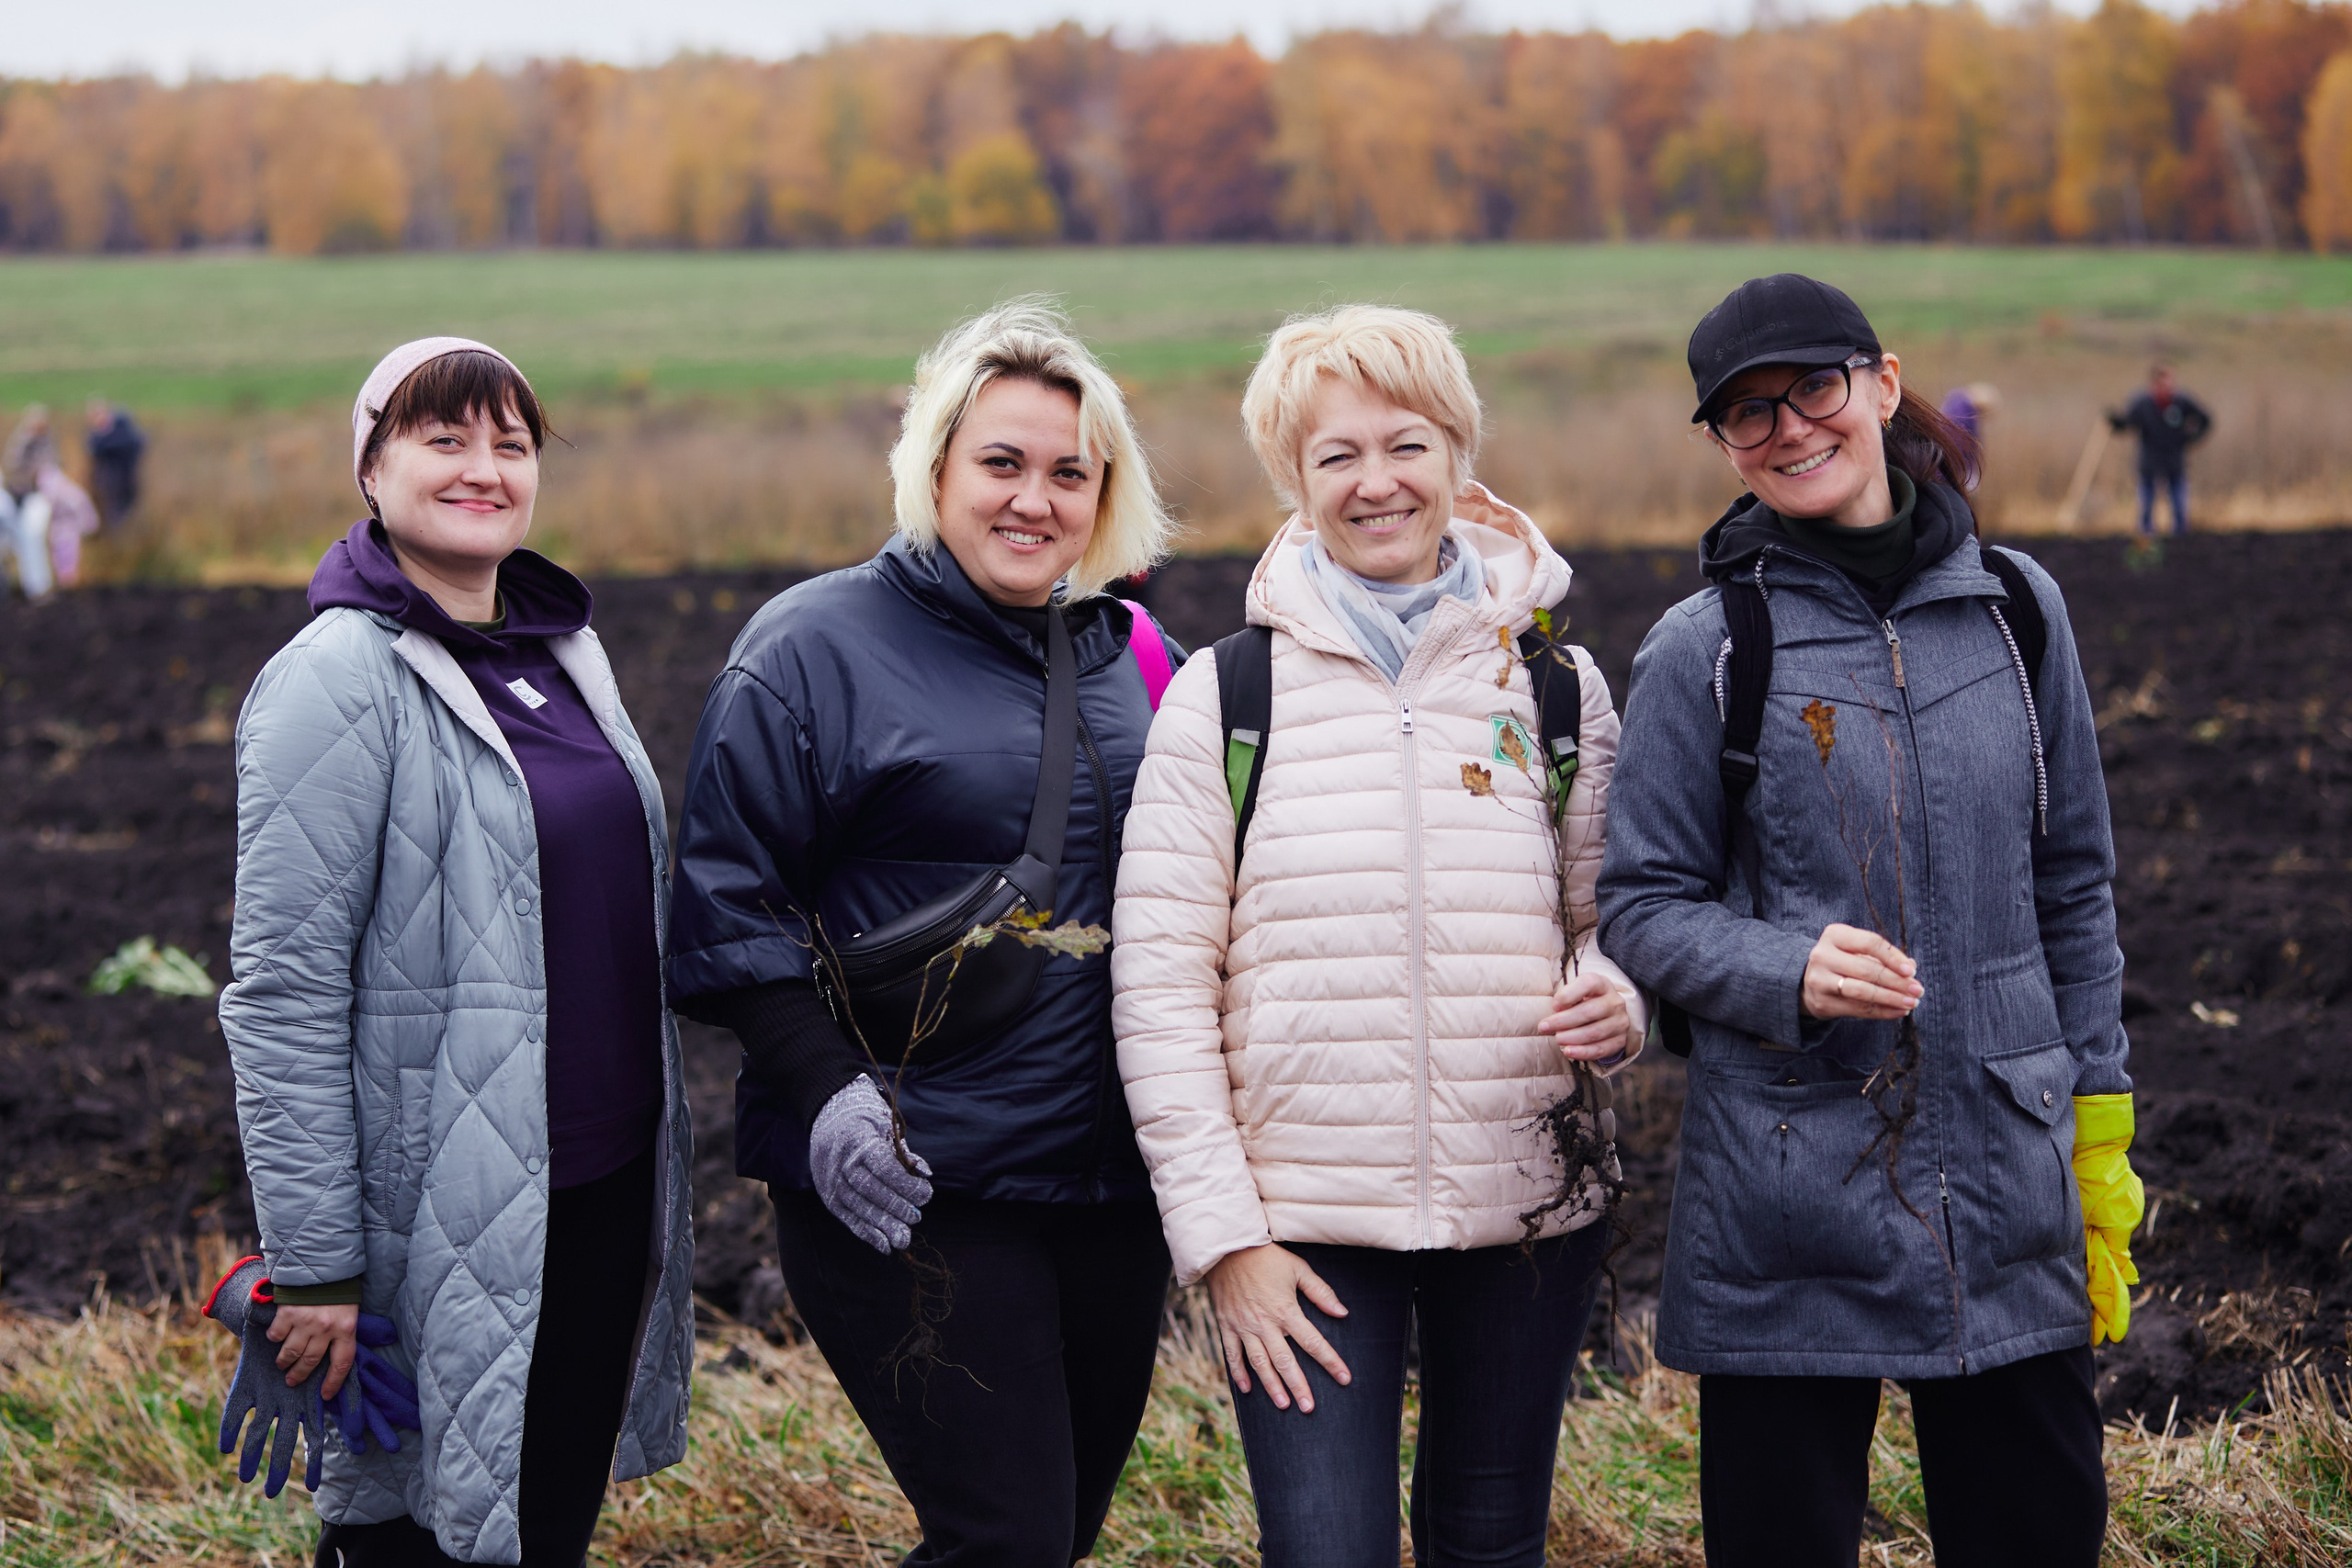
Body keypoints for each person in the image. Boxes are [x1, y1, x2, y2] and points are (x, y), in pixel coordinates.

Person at [1597, 274, 2139, 1568]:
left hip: (2010, 1178)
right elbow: (1640, 905)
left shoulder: (2016, 610)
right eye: (1746, 414)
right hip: (1788, 1193)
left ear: (1883, 384)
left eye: (1812, 390)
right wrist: (1785, 962)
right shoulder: (1706, 648)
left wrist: (2100, 1121)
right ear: (1725, 446)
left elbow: (2073, 878)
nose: (1787, 429)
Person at [1113, 305, 1646, 1566]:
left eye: (1404, 443)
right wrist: (1226, 1242)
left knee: (1490, 1539)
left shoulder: (1556, 689)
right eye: (1333, 454)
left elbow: (1612, 924)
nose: (1375, 481)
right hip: (1299, 1233)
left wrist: (1620, 995)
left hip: (1527, 1205)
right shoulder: (1224, 695)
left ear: (1459, 451)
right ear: (1294, 481)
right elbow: (1159, 987)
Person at [666, 299, 1183, 1563]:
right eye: (1001, 462)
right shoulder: (810, 649)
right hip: (912, 1173)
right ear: (936, 465)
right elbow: (726, 896)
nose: (1033, 499)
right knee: (1003, 1537)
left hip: (1112, 1183)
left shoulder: (1134, 653)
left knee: (1049, 1537)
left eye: (1070, 471)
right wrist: (829, 1094)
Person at [217, 337, 695, 1566]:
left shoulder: (561, 658)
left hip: (593, 1189)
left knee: (542, 1525)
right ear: (370, 466)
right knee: (424, 1532)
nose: (483, 467)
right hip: (440, 1210)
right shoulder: (334, 679)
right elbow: (283, 992)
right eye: (444, 439)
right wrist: (317, 1263)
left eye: (511, 443)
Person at [2109, 364, 2210, 536]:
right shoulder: (2143, 404)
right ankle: (2146, 538)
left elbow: (2206, 419)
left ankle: (2180, 538)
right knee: (2146, 505)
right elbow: (2127, 423)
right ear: (2154, 385)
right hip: (2150, 461)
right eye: (2161, 384)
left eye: (2169, 383)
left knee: (2178, 504)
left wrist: (2190, 439)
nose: (2166, 388)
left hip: (2174, 460)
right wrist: (2115, 422)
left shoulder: (2182, 402)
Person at [85, 397, 147, 528]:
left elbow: (97, 448)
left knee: (120, 515)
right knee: (123, 515)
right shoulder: (104, 435)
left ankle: (121, 543)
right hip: (120, 482)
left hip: (119, 482)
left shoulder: (118, 431)